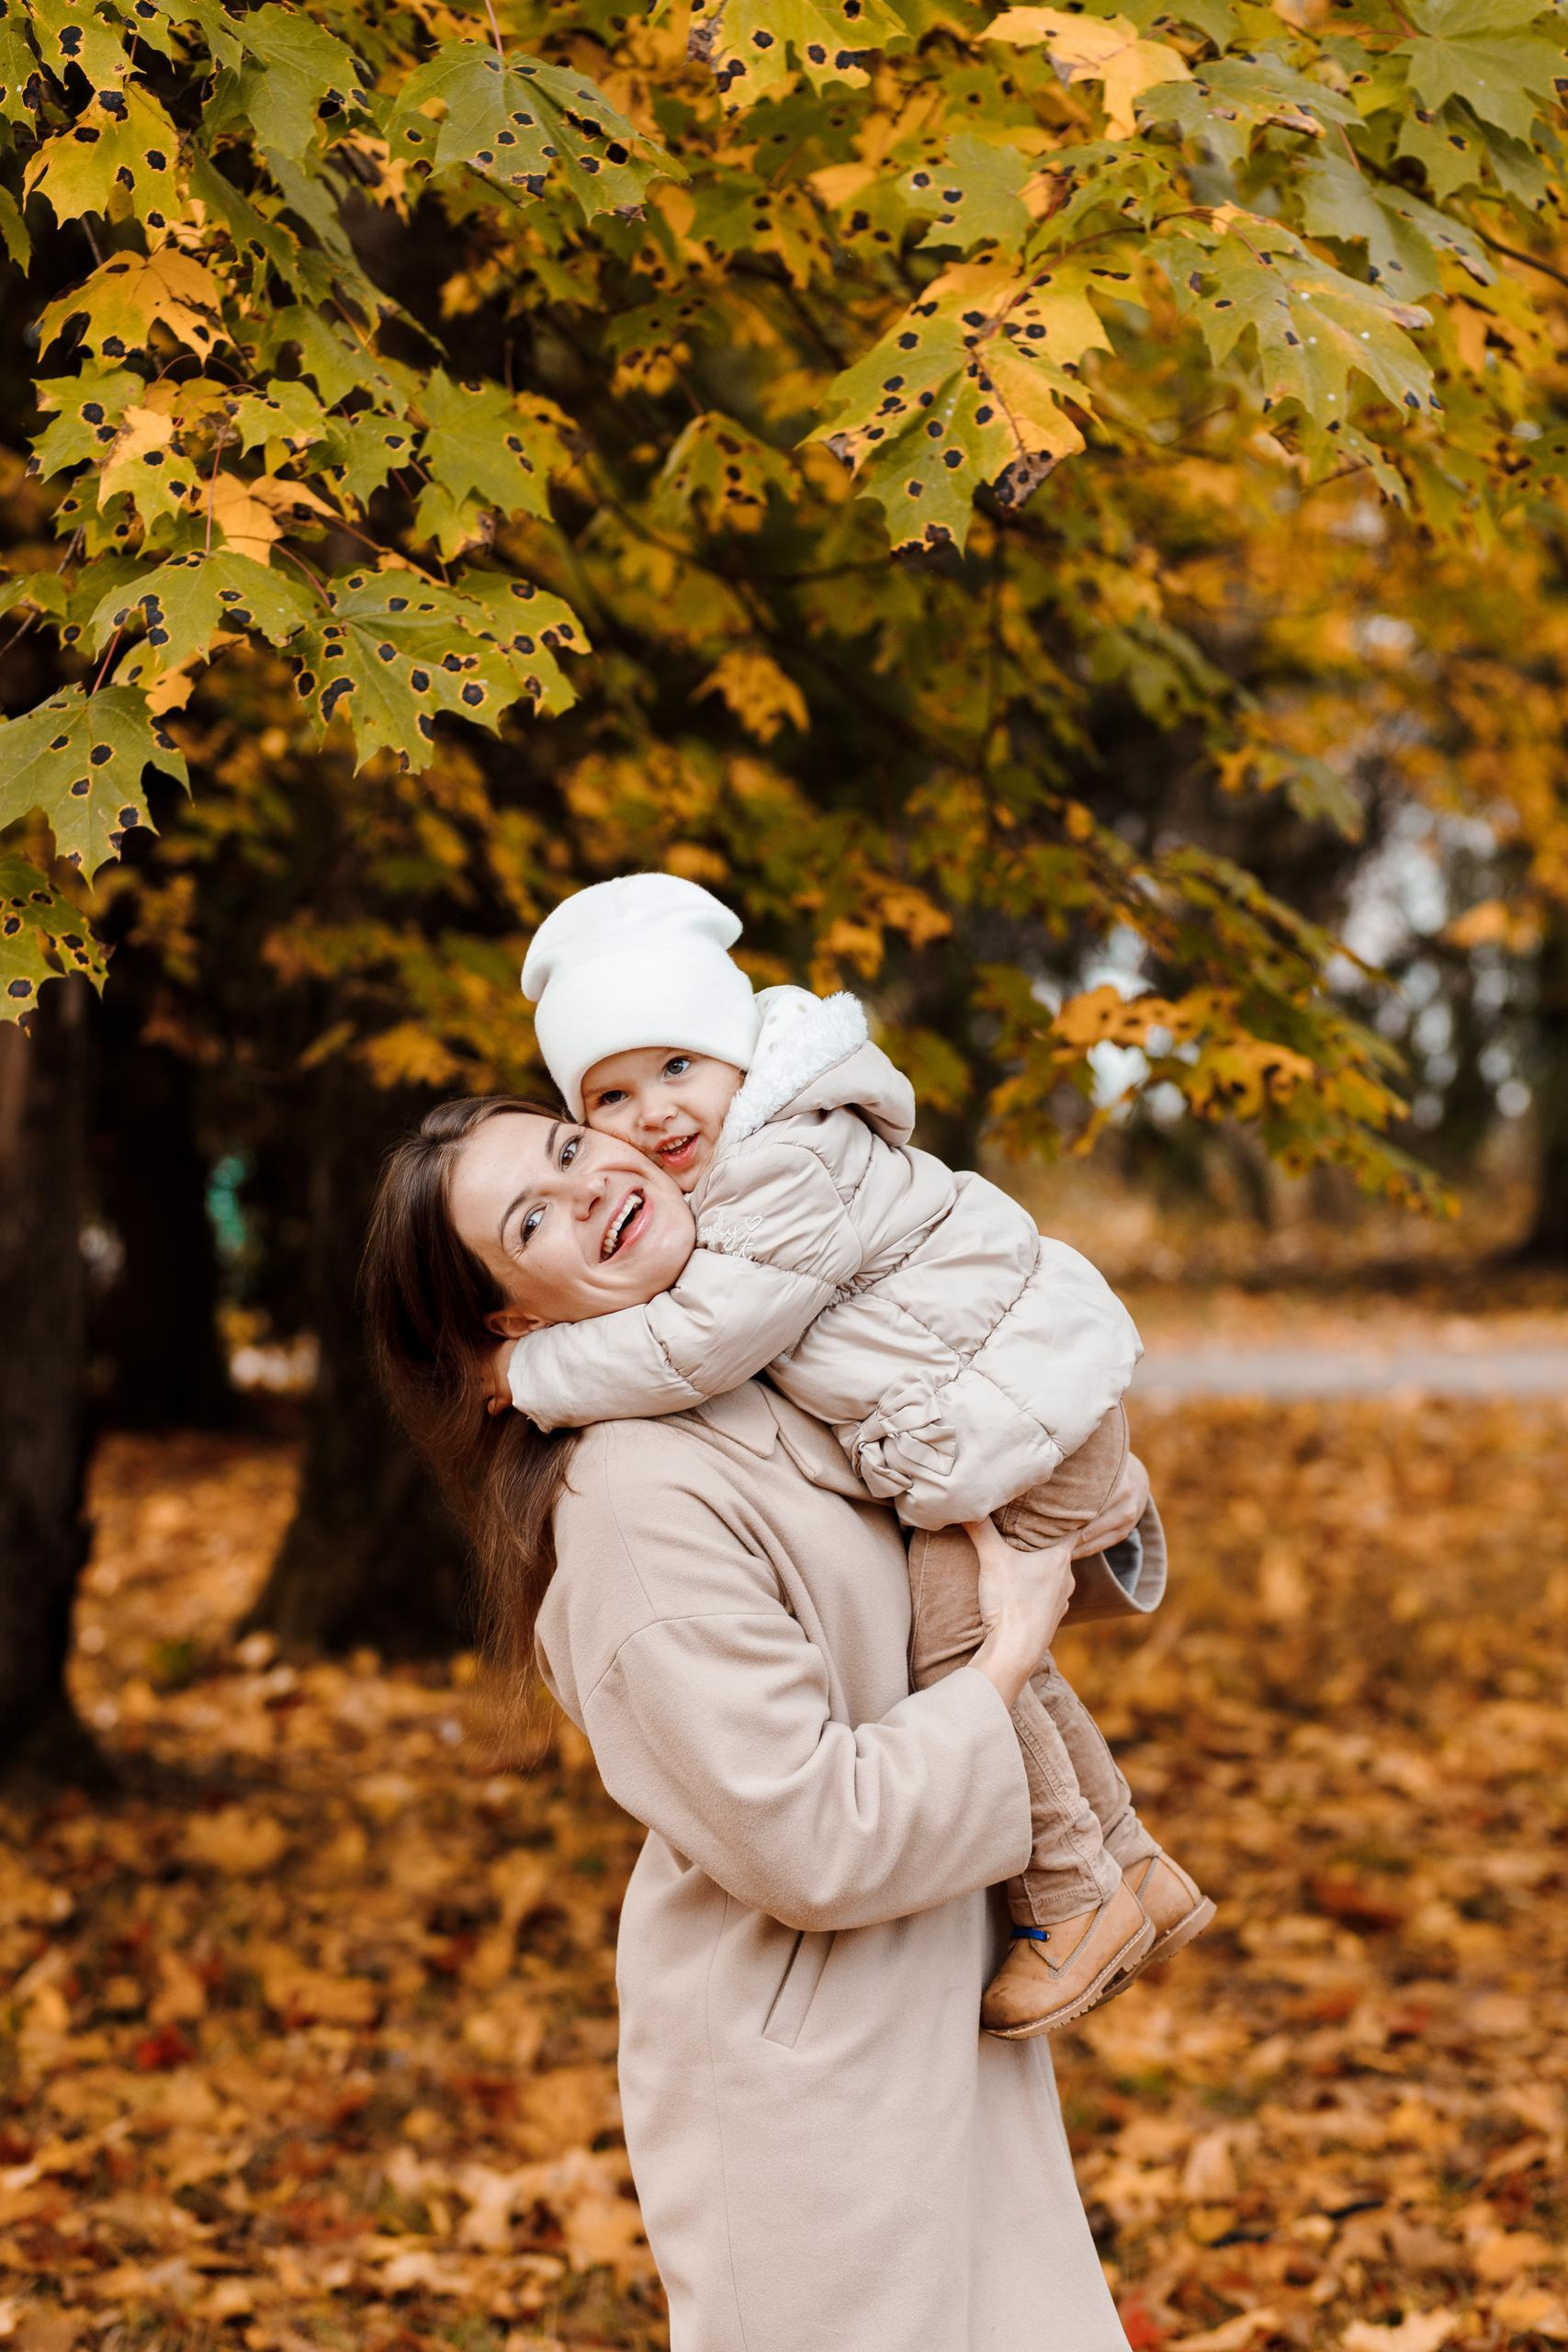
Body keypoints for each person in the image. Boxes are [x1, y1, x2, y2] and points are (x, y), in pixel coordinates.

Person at [362, 1095, 1161, 2352]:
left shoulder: (778, 1364)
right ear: (512, 1323)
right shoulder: (629, 1498)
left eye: (570, 1149)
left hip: (934, 1996)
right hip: (809, 2075)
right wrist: (998, 1663)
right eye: (531, 1218)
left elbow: (936, 1587)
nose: (584, 1190)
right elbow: (801, 1835)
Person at [487, 872, 1212, 2035]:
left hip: (1025, 1401)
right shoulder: (644, 1450)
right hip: (1019, 1398)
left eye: (679, 1066)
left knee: (958, 1648)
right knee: (973, 1640)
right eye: (611, 1094)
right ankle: (1124, 1864)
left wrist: (531, 1377)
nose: (655, 1114)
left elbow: (702, 1341)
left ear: (739, 1051)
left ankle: (1079, 1895)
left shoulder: (779, 1167)